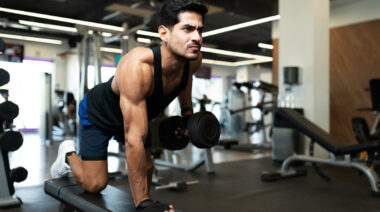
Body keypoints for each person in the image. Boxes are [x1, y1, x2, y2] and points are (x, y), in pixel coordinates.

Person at [50, 0, 208, 211]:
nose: (196, 37)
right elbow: (133, 139)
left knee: (148, 167)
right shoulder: (139, 67)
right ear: (164, 33)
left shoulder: (193, 60)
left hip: (136, 114)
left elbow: (185, 79)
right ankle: (69, 154)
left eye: (199, 30)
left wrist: (188, 114)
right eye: (187, 29)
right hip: (100, 114)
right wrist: (142, 203)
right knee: (94, 185)